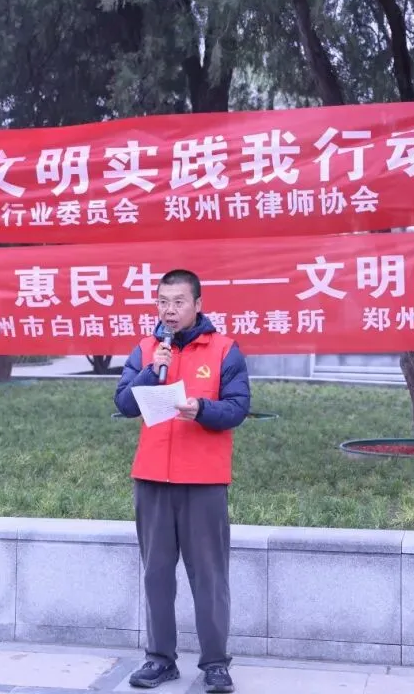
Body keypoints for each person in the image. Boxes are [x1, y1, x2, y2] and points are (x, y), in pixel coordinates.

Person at [114, 269, 250, 693]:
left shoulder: (225, 349)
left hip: (203, 481)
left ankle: (215, 664)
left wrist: (202, 410)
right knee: (156, 574)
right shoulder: (146, 349)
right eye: (163, 302)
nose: (169, 310)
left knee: (209, 576)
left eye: (178, 302)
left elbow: (238, 408)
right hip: (152, 477)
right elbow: (124, 403)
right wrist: (149, 372)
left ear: (197, 305)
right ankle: (160, 659)